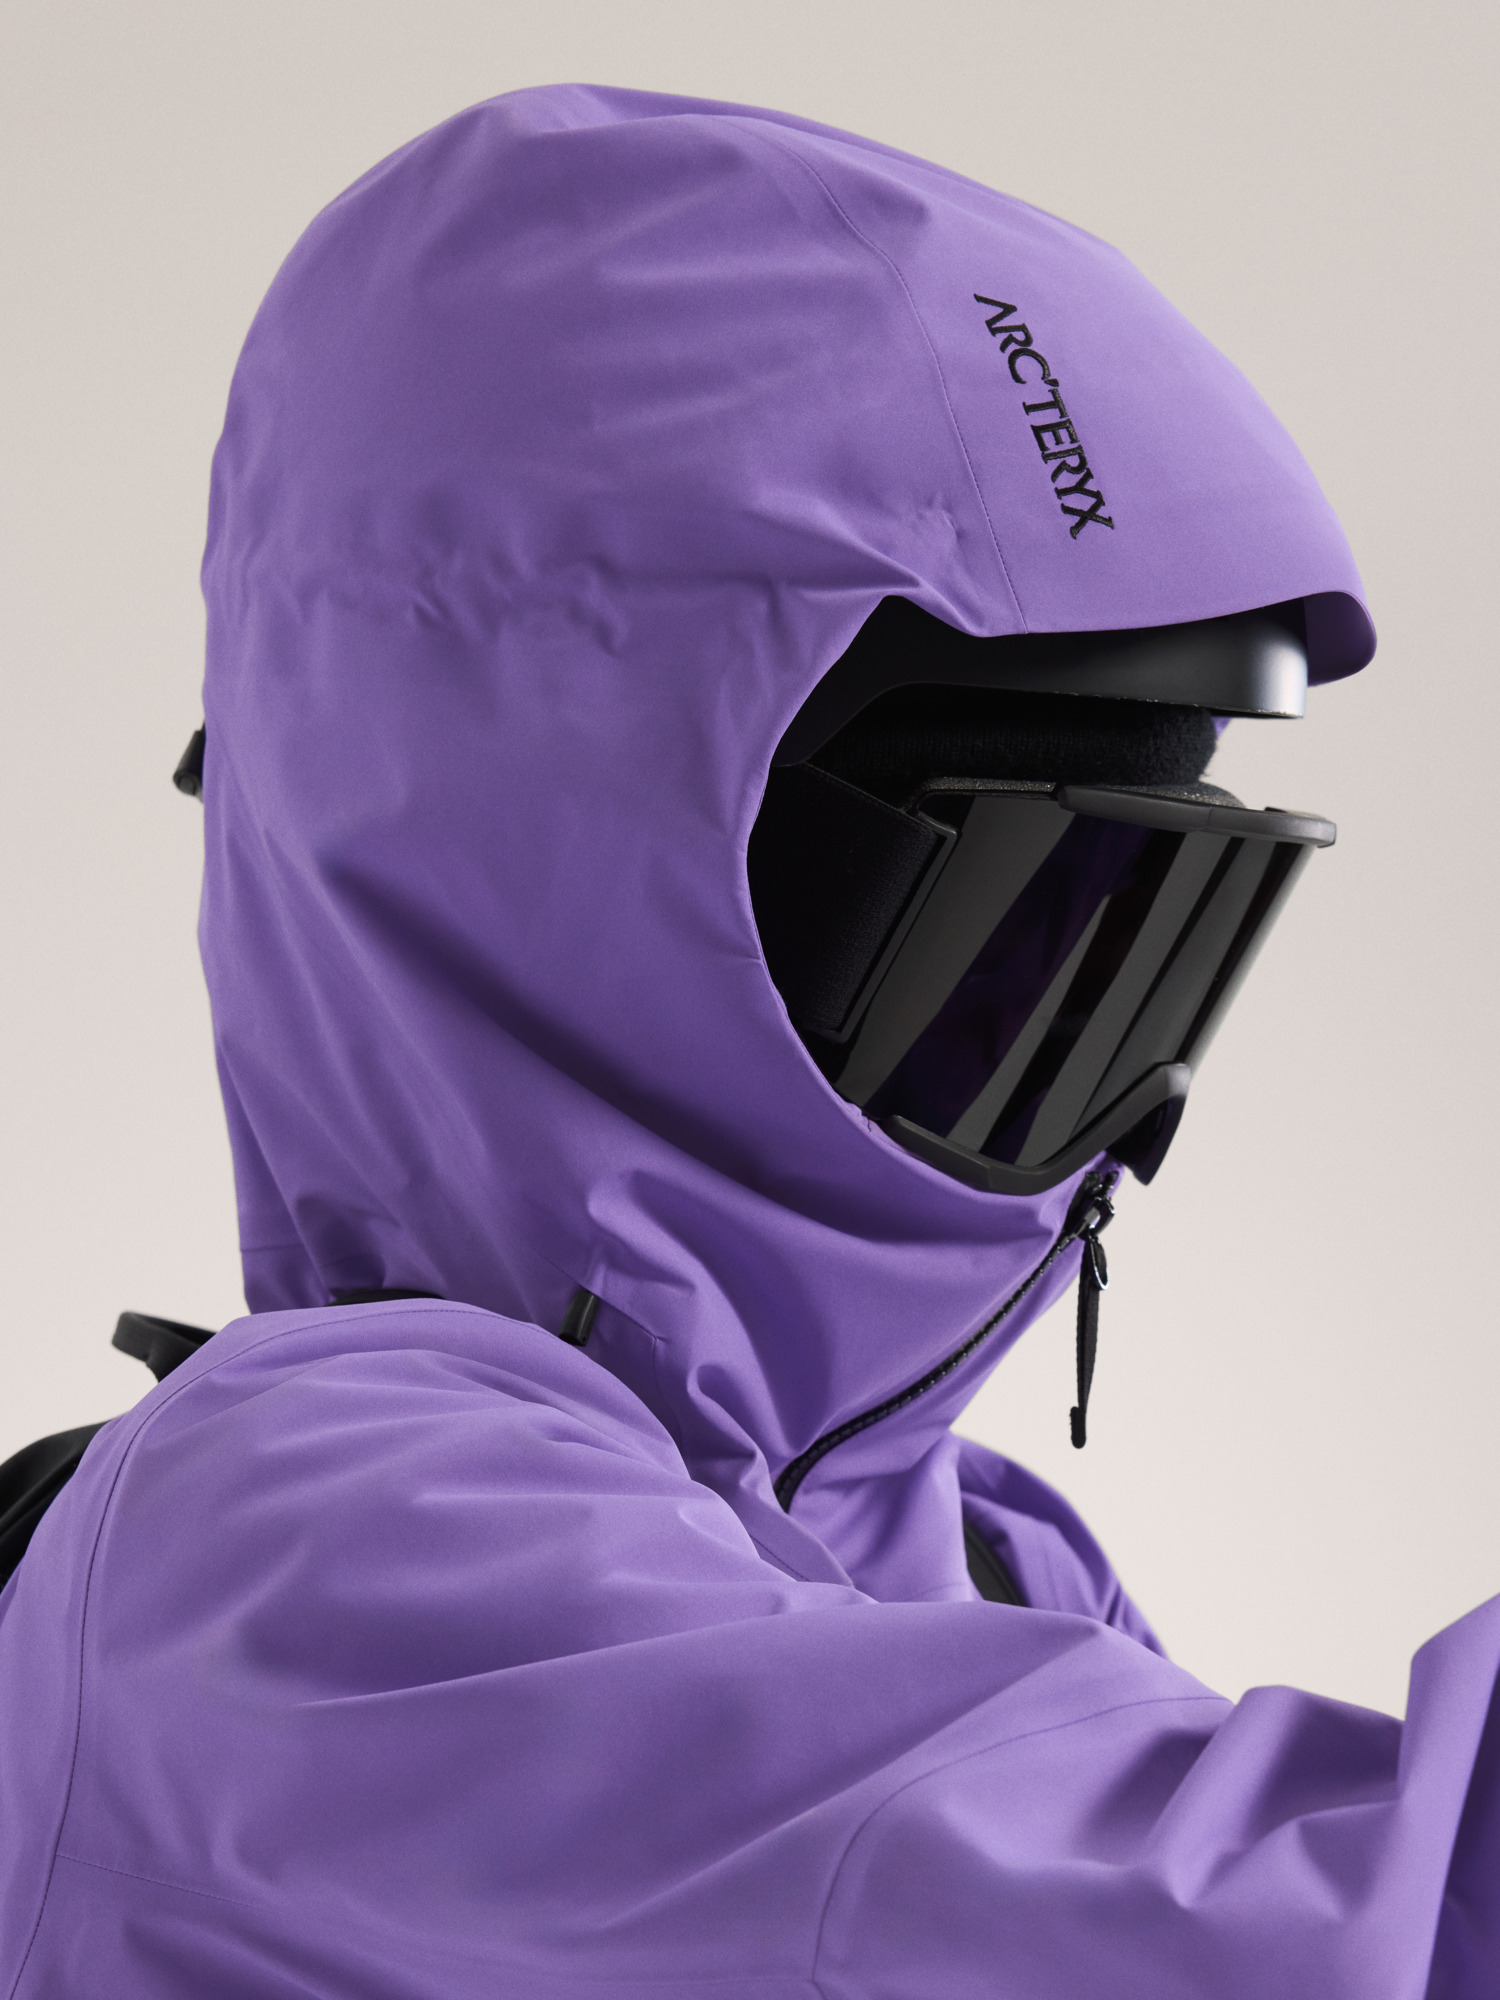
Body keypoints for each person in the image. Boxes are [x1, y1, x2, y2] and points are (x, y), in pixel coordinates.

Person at [0, 82, 1494, 1999]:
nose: (1117, 1113)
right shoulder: (318, 1559)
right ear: (561, 880)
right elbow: (1335, 1943)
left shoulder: (984, 1559)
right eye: (1008, 924)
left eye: (1154, 939)